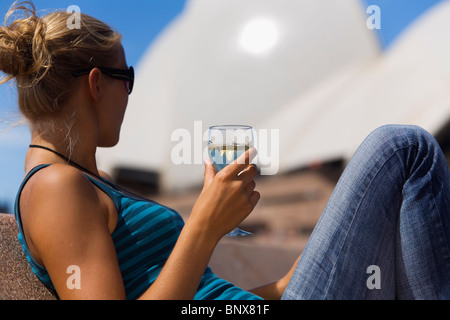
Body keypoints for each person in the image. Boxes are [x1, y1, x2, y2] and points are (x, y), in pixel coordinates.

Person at [1, 1, 449, 300]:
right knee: (402, 147)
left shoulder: (79, 181)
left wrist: (275, 288)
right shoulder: (56, 187)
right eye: (128, 78)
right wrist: (203, 225)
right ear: (97, 84)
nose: (131, 95)